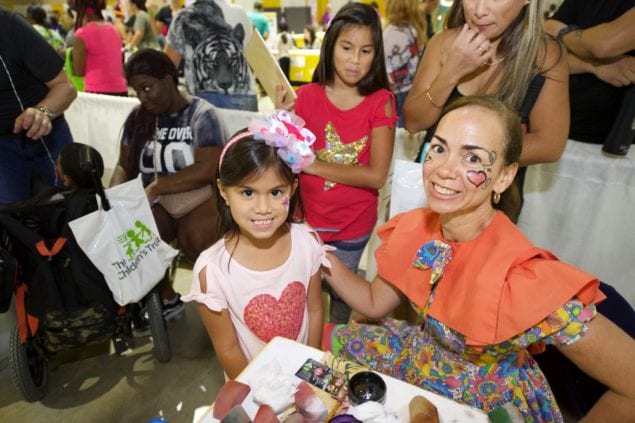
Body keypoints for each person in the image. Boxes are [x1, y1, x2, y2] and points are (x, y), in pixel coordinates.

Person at [322, 95, 635, 422]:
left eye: (472, 158)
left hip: (486, 405)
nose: (443, 170)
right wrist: (316, 250)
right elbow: (373, 303)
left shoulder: (522, 279)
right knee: (314, 356)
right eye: (440, 148)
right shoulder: (416, 227)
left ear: (504, 176)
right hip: (420, 358)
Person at [277, 3, 397, 324]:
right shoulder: (306, 96)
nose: (355, 60)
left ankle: (336, 352)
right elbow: (287, 158)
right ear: (331, 46)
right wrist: (283, 120)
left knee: (343, 301)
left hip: (351, 226)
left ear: (377, 54)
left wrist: (315, 166)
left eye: (366, 50)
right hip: (306, 222)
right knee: (305, 294)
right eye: (346, 48)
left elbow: (376, 175)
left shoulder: (381, 101)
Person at [183, 111, 326, 379]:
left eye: (275, 192)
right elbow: (227, 349)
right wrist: (262, 396)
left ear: (292, 190)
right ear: (224, 191)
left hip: (305, 375)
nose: (263, 209)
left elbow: (315, 309)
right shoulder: (211, 271)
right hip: (252, 389)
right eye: (247, 193)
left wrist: (312, 372)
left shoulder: (306, 242)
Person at [403, 0, 568, 215]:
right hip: (434, 192)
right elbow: (414, 123)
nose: (479, 11)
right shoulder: (444, 44)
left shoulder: (545, 56)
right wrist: (451, 71)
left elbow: (549, 145)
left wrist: (467, 159)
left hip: (493, 206)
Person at [109, 49, 227, 319]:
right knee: (135, 238)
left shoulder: (202, 115)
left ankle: (221, 296)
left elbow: (208, 169)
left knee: (195, 239)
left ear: (168, 79)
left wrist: (158, 187)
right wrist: (114, 194)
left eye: (147, 88)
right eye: (137, 91)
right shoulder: (138, 118)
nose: (142, 97)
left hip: (199, 195)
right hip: (155, 199)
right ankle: (167, 297)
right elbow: (123, 165)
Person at [0, 8, 77, 205]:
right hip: (4, 153)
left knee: (69, 210)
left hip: (45, 138)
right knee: (12, 222)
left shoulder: (10, 26)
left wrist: (42, 113)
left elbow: (66, 87)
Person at [545, 2, 635, 143]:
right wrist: (594, 66)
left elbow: (602, 45)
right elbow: (540, 52)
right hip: (561, 130)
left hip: (620, 141)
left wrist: (564, 34)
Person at [165, 0, 258, 111]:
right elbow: (254, 60)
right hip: (245, 98)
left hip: (205, 100)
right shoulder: (241, 13)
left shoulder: (183, 17)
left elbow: (166, 67)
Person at [383, 0, 426, 127]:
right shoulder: (413, 30)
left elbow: (383, 66)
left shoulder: (392, 32)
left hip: (395, 94)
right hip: (410, 89)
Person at [71, 0, 128, 96]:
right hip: (121, 88)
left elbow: (78, 71)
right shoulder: (113, 29)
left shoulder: (82, 34)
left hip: (97, 90)